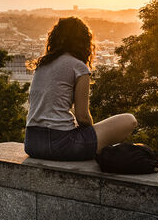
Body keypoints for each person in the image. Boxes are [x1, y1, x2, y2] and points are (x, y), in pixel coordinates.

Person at [24, 17, 137, 161]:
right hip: (62, 145)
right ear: (84, 41)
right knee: (130, 120)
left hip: (32, 143)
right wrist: (92, 135)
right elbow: (82, 117)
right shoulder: (78, 67)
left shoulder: (42, 65)